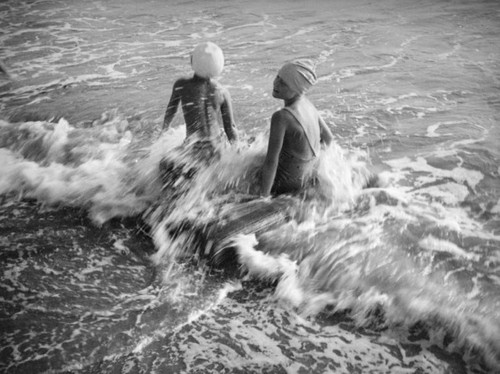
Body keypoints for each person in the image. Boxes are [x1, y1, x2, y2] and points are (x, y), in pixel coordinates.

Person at [260, 59, 334, 196]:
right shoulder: (308, 105)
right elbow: (328, 139)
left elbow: (271, 162)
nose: (276, 83)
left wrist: (262, 198)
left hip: (285, 184)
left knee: (244, 169)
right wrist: (313, 168)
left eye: (284, 83)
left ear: (296, 90)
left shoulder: (281, 117)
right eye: (278, 77)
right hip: (304, 179)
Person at [162, 41, 238, 148]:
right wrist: (237, 150)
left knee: (163, 162)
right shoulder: (222, 92)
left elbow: (171, 110)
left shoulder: (182, 85)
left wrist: (164, 130)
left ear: (193, 61)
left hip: (194, 146)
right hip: (216, 147)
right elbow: (230, 128)